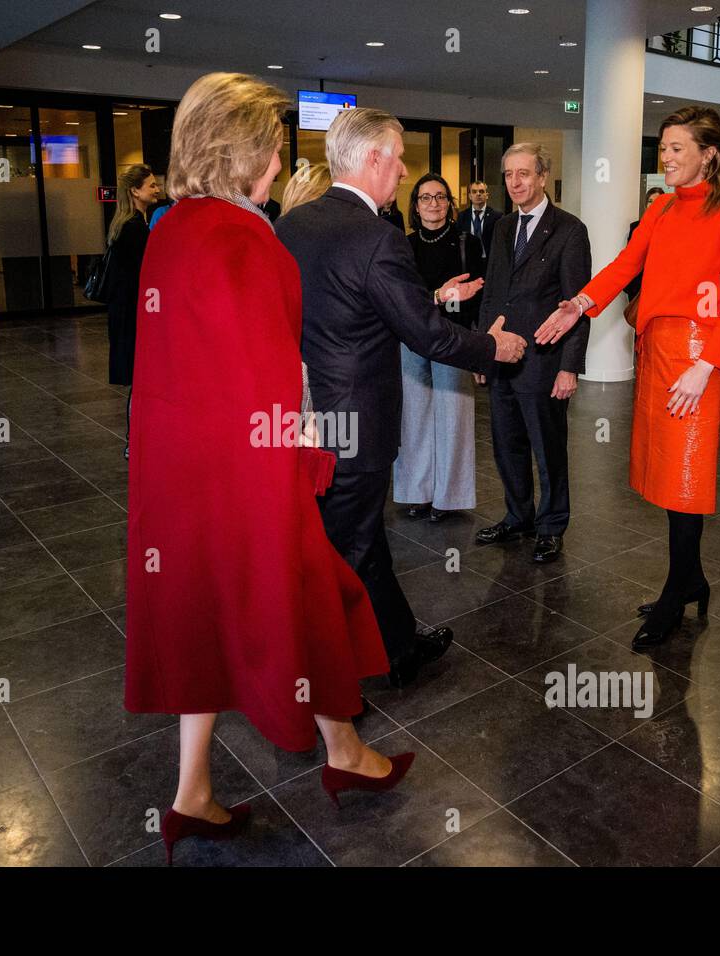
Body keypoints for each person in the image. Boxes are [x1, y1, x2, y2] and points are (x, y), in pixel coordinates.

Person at [125, 73, 415, 865]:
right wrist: (303, 458)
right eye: (277, 143)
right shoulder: (247, 237)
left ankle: (191, 793)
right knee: (315, 604)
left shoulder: (170, 230)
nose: (283, 157)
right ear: (245, 149)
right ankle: (345, 754)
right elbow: (267, 377)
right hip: (247, 476)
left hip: (178, 471)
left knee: (200, 620)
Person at [277, 107, 526, 688]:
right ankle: (328, 677)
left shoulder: (290, 228)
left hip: (305, 416)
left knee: (356, 535)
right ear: (370, 160)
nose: (403, 169)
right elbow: (427, 334)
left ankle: (397, 645)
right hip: (358, 421)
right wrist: (494, 349)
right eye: (396, 156)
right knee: (349, 546)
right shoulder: (377, 238)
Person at [535, 105, 720, 650]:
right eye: (663, 148)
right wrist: (580, 304)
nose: (666, 156)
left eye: (677, 147)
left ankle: (674, 594)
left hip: (699, 358)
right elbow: (624, 264)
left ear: (709, 153)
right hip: (657, 354)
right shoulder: (661, 207)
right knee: (666, 476)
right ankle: (691, 578)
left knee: (686, 479)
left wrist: (707, 367)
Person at [473, 143, 591, 564]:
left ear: (543, 177)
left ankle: (551, 526)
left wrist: (570, 368)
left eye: (524, 173)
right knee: (506, 445)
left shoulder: (569, 231)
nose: (515, 182)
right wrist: (484, 352)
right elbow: (492, 295)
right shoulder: (503, 227)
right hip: (503, 358)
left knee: (548, 449)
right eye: (508, 175)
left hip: (544, 362)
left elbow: (578, 305)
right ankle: (518, 516)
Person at [394, 172, 485, 522]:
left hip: (454, 338)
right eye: (425, 198)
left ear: (450, 203)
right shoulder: (404, 244)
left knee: (454, 419)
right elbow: (402, 297)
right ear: (415, 206)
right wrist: (437, 296)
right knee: (414, 419)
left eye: (440, 197)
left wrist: (479, 348)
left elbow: (478, 296)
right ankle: (417, 493)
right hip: (413, 338)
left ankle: (449, 497)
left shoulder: (467, 243)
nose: (433, 203)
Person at [104, 163, 161, 457]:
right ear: (135, 191)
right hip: (134, 320)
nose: (157, 189)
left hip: (126, 317)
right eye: (151, 185)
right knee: (140, 384)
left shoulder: (125, 225)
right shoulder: (135, 229)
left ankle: (136, 440)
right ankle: (135, 442)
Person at [625, 185, 665, 302]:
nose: (653, 205)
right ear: (645, 204)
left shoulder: (671, 228)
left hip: (660, 285)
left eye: (657, 201)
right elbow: (630, 257)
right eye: (650, 201)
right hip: (638, 285)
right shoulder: (636, 227)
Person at [454, 179, 501, 258]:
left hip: (488, 261)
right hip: (468, 261)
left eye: (481, 191)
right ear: (470, 196)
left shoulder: (496, 217)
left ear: (487, 195)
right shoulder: (462, 216)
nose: (478, 194)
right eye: (474, 192)